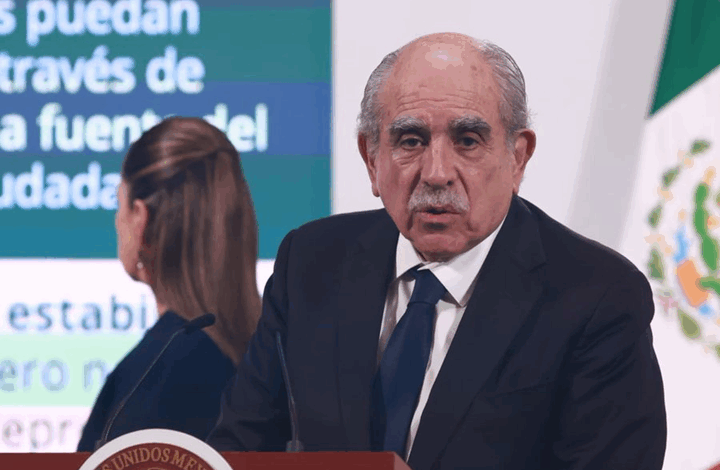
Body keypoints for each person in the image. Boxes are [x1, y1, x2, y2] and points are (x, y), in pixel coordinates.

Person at [207, 33, 666, 470]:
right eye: (411, 141)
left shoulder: (597, 296)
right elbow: (237, 450)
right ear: (371, 158)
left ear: (517, 157)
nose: (437, 172)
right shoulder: (312, 262)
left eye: (467, 141)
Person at [77, 117, 261, 451]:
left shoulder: (157, 372)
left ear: (140, 218)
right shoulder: (264, 361)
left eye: (118, 205)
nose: (117, 221)